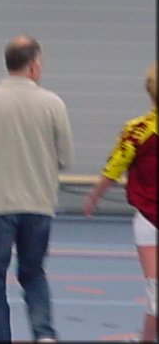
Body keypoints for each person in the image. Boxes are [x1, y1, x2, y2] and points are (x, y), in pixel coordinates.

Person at [0, 35, 73, 343]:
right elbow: (65, 157)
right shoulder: (53, 104)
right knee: (33, 273)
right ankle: (44, 333)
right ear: (33, 66)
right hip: (38, 204)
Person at [83, 61, 156, 343]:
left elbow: (114, 167)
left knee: (155, 289)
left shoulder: (136, 130)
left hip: (148, 221)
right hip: (149, 219)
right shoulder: (138, 130)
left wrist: (95, 195)